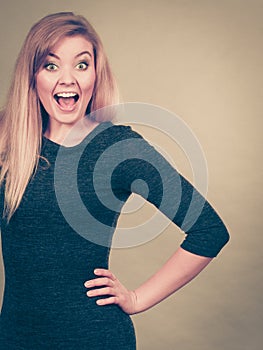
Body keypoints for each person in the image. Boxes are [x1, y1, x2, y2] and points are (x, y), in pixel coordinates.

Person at [0, 12, 229, 350]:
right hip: (15, 338)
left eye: (81, 65)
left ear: (96, 74)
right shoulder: (7, 140)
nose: (68, 79)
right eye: (51, 65)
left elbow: (209, 231)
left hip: (95, 338)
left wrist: (137, 298)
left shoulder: (118, 149)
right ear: (32, 76)